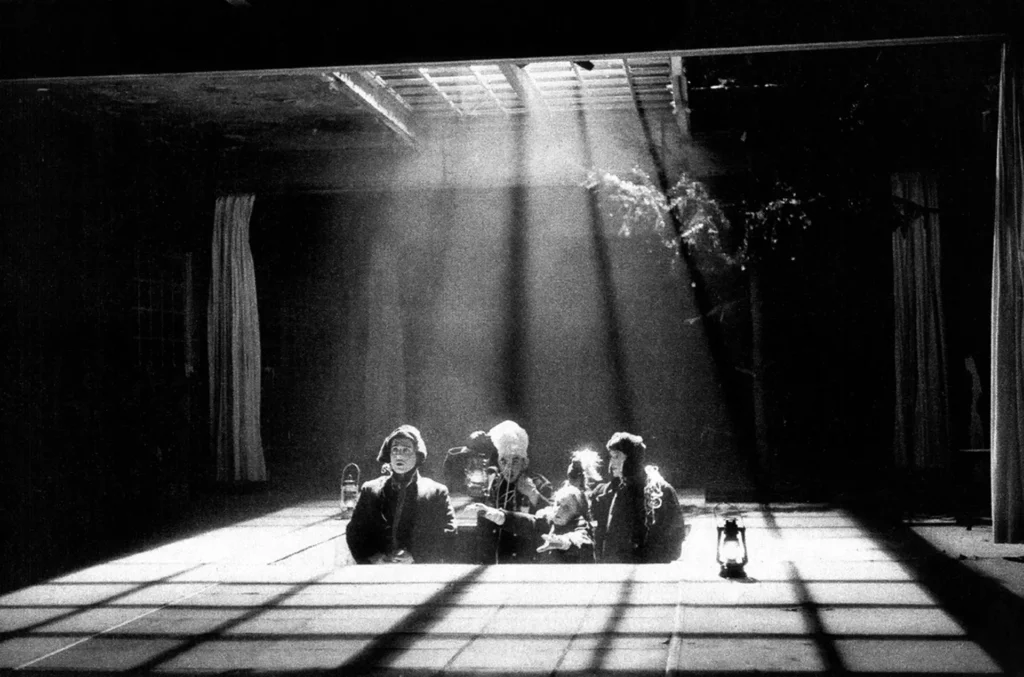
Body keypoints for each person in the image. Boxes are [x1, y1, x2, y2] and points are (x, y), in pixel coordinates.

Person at [345, 424, 457, 564]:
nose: (399, 455)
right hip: (378, 571)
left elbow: (449, 532)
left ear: (417, 455)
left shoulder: (436, 492)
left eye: (406, 450)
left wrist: (416, 557)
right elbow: (354, 531)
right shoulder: (370, 490)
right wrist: (374, 558)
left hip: (419, 572)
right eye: (395, 450)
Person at [590, 432, 685, 564]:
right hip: (612, 572)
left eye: (616, 457)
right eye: (611, 457)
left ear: (632, 459)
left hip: (647, 572)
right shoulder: (609, 492)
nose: (611, 463)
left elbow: (674, 539)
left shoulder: (660, 491)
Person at [467, 420, 554, 563]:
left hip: (527, 558)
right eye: (503, 461)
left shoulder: (540, 484)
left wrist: (533, 495)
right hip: (497, 558)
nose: (508, 468)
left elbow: (552, 519)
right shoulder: (493, 483)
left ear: (525, 462)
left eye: (515, 461)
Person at [477, 484, 595, 563]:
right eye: (558, 504)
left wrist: (564, 542)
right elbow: (526, 521)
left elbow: (581, 538)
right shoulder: (548, 520)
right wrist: (499, 515)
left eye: (567, 507)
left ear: (578, 512)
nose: (559, 510)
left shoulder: (581, 524)